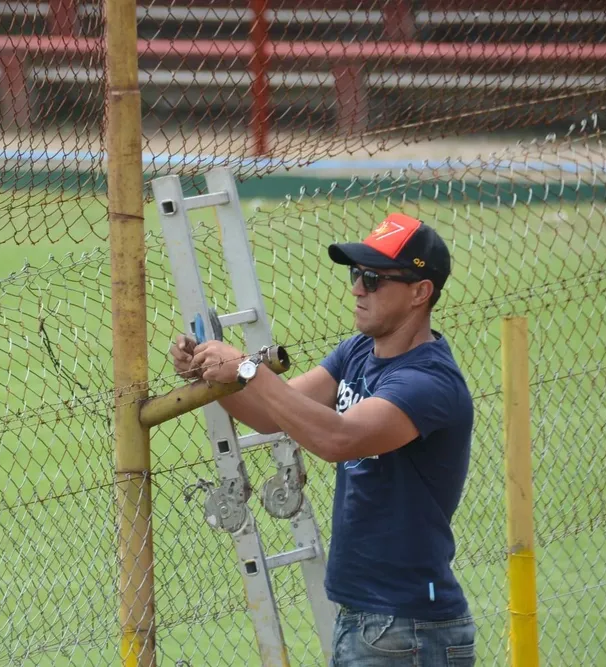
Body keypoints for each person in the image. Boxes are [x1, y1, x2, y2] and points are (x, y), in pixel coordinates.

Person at [169, 213, 477, 666]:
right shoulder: (357, 351)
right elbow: (272, 414)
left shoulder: (428, 382)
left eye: (373, 278)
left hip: (407, 629)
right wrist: (210, 374)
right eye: (356, 274)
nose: (356, 288)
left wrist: (247, 369)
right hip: (371, 619)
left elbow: (338, 438)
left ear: (420, 291)